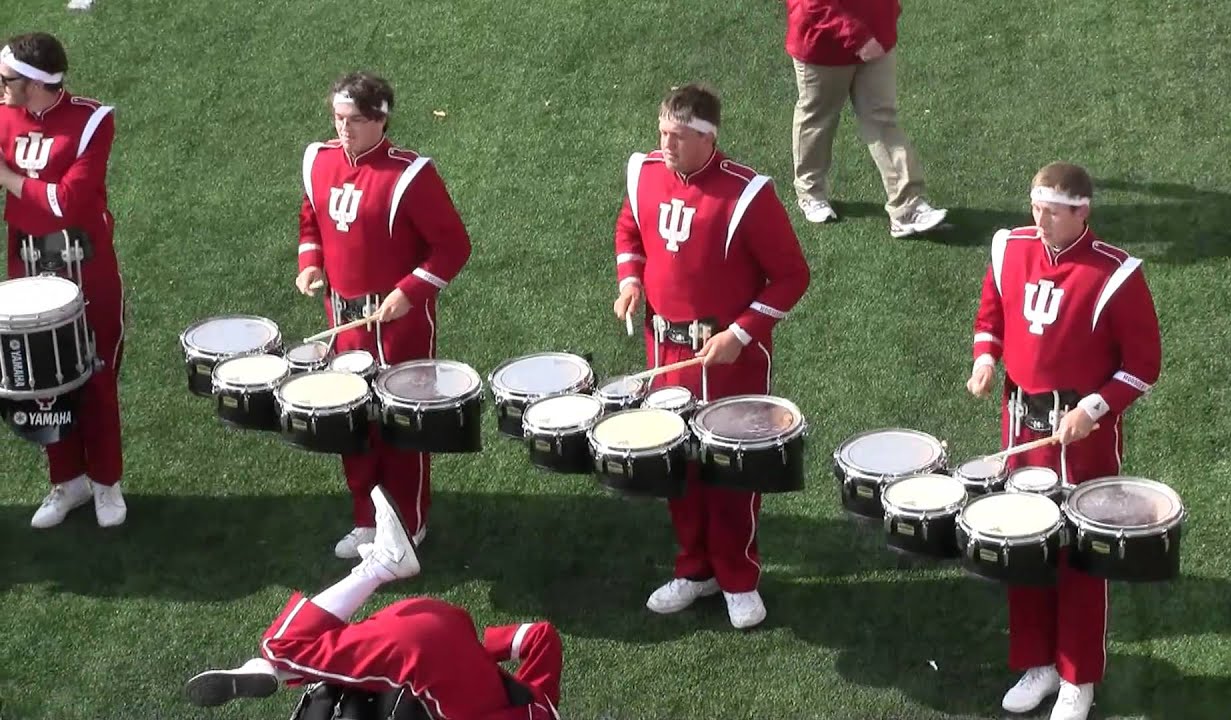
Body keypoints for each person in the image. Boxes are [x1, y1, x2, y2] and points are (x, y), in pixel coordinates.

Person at [966, 162, 1161, 720]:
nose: (1040, 219)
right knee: (1022, 545)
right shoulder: (1010, 248)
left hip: (1082, 441)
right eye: (1035, 207)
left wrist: (1092, 409)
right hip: (1021, 430)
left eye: (1052, 211)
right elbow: (991, 316)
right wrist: (985, 360)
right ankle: (1038, 663)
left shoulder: (1116, 273)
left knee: (1079, 557)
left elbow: (1144, 365)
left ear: (1083, 212)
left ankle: (1078, 678)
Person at [613, 83, 811, 629]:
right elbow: (629, 231)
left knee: (731, 472)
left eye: (677, 136)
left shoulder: (747, 193)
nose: (665, 145)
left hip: (730, 359)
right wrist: (631, 281)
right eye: (661, 132)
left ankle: (739, 579)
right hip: (666, 352)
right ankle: (693, 569)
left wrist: (742, 334)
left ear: (708, 137)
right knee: (679, 466)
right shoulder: (644, 173)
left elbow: (792, 276)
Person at [184, 485, 563, 720]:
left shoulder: (544, 701)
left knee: (329, 658)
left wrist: (479, 651)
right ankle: (381, 564)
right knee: (286, 645)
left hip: (439, 621)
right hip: (416, 658)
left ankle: (269, 671)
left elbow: (543, 637)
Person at [293, 71, 471, 558]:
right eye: (337, 118)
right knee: (350, 424)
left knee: (401, 426)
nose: (343, 129)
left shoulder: (411, 175)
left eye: (353, 120)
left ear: (380, 119)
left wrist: (410, 292)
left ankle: (409, 524)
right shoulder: (319, 160)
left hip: (399, 325)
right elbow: (312, 219)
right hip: (342, 323)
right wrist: (310, 263)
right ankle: (366, 520)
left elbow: (453, 247)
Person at [0, 32, 126, 528]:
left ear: (34, 84)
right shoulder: (3, 111)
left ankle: (107, 483)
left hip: (84, 266)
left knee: (94, 376)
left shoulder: (93, 120)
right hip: (25, 266)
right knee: (38, 381)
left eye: (7, 79)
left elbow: (65, 203)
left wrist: (8, 179)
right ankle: (67, 481)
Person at [784, 0, 947, 236]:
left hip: (876, 37)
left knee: (883, 120)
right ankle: (810, 192)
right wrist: (857, 36)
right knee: (819, 119)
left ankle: (907, 208)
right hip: (824, 46)